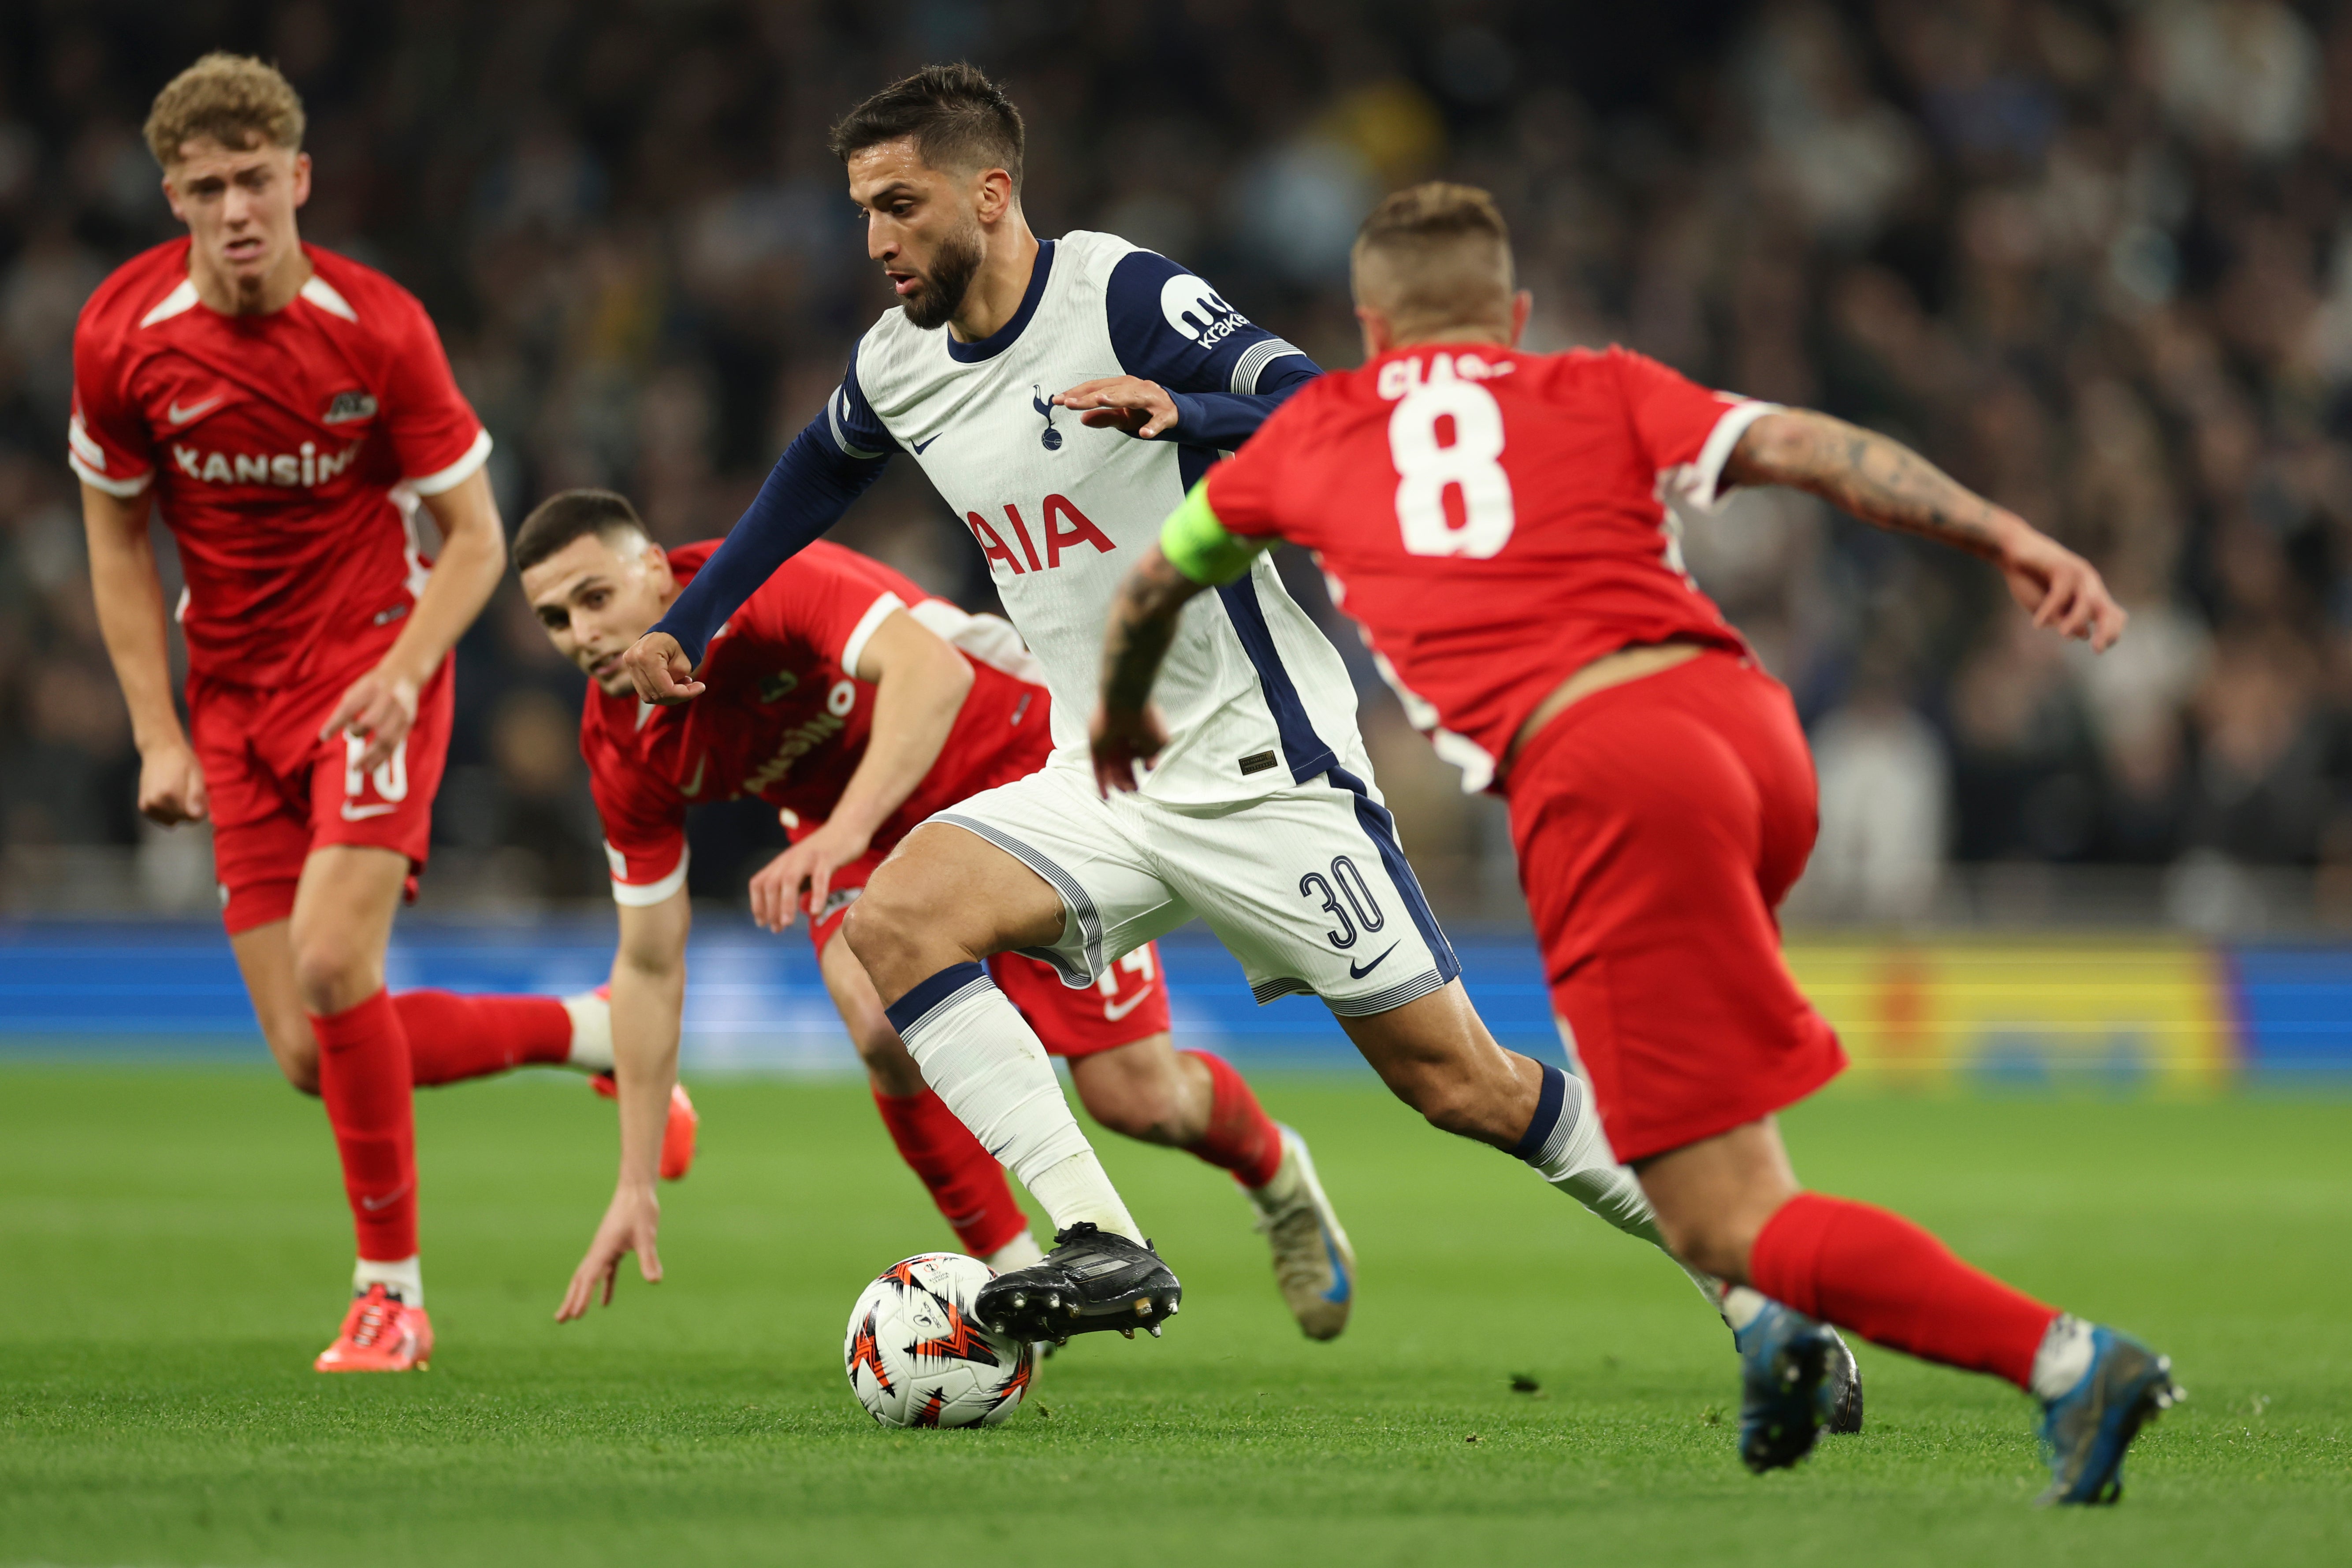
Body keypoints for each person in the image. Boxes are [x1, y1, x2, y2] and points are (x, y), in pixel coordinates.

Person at [615, 63, 1826, 1382]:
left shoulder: (1122, 296)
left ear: (990, 190)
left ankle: (1759, 1282)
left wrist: (1183, 407)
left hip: (1264, 762)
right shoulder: (899, 364)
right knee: (897, 917)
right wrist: (698, 616)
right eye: (862, 210)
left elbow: (1331, 414)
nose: (876, 241)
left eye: (899, 205)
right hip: (1105, 767)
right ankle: (1098, 1237)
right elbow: (813, 471)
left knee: (1462, 1083)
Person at [1091, 181, 2179, 1504]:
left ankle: (2069, 1361)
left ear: (1370, 326)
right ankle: (1777, 1337)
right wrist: (2000, 530)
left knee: (1721, 1216)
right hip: (1753, 735)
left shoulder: (1317, 428)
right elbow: (1812, 446)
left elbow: (1155, 578)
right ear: (1518, 317)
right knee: (1727, 1153)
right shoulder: (1594, 383)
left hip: (1609, 777)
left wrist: (1117, 717)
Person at [69, 53, 692, 1376]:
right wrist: (158, 732)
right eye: (205, 187)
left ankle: (391, 1296)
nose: (235, 209)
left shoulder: (379, 328)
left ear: (298, 180)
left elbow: (473, 538)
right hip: (231, 701)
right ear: (172, 195)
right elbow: (116, 543)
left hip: (371, 674)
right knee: (311, 1049)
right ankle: (589, 1027)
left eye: (255, 181)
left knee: (335, 967)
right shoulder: (122, 337)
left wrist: (409, 669)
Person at [518, 491, 1351, 1340]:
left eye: (595, 597)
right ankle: (1020, 1273)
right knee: (883, 1028)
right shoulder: (621, 749)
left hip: (1019, 764)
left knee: (1138, 1098)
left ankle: (1280, 1176)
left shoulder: (757, 579)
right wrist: (634, 1182)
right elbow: (650, 965)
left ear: (657, 571)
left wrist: (835, 832)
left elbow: (935, 672)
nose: (581, 633)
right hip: (866, 829)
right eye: (555, 618)